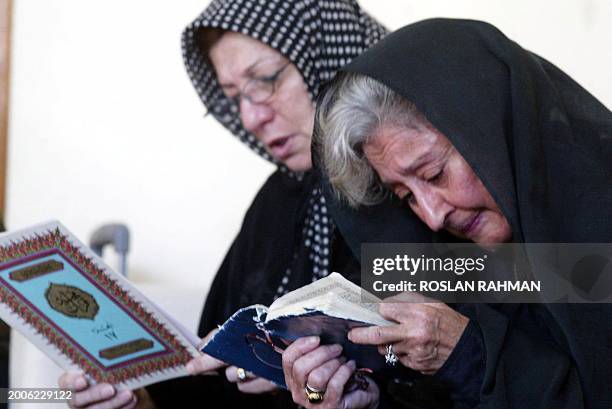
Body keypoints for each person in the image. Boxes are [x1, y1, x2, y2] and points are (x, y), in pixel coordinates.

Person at [58, 1, 388, 408]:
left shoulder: (410, 190)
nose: (250, 117)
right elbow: (210, 371)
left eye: (265, 79)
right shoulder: (277, 199)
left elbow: (437, 375)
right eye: (234, 97)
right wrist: (137, 398)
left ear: (328, 58)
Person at [283, 18, 612, 408]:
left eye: (434, 173)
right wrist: (365, 399)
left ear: (494, 129)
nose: (433, 215)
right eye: (405, 196)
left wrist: (471, 358)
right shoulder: (459, 268)